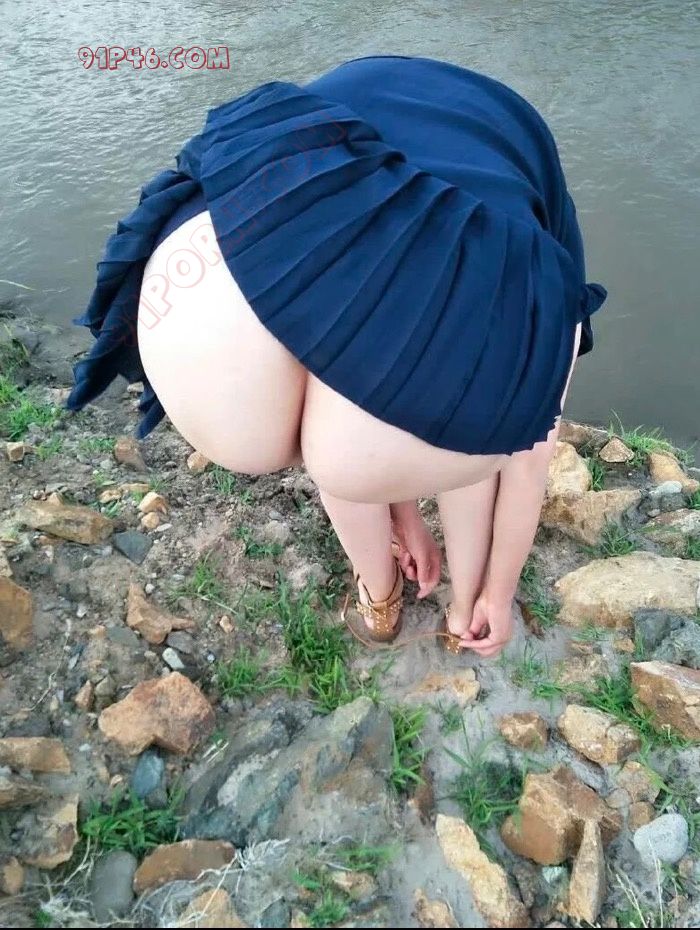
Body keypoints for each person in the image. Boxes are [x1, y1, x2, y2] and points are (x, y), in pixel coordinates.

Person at [66, 55, 606, 657]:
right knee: (451, 425)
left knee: (337, 362)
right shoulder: (538, 235)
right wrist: (497, 597)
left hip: (198, 284)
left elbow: (351, 316)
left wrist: (403, 510)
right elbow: (528, 456)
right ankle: (462, 612)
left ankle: (379, 599)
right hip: (380, 376)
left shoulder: (353, 96)